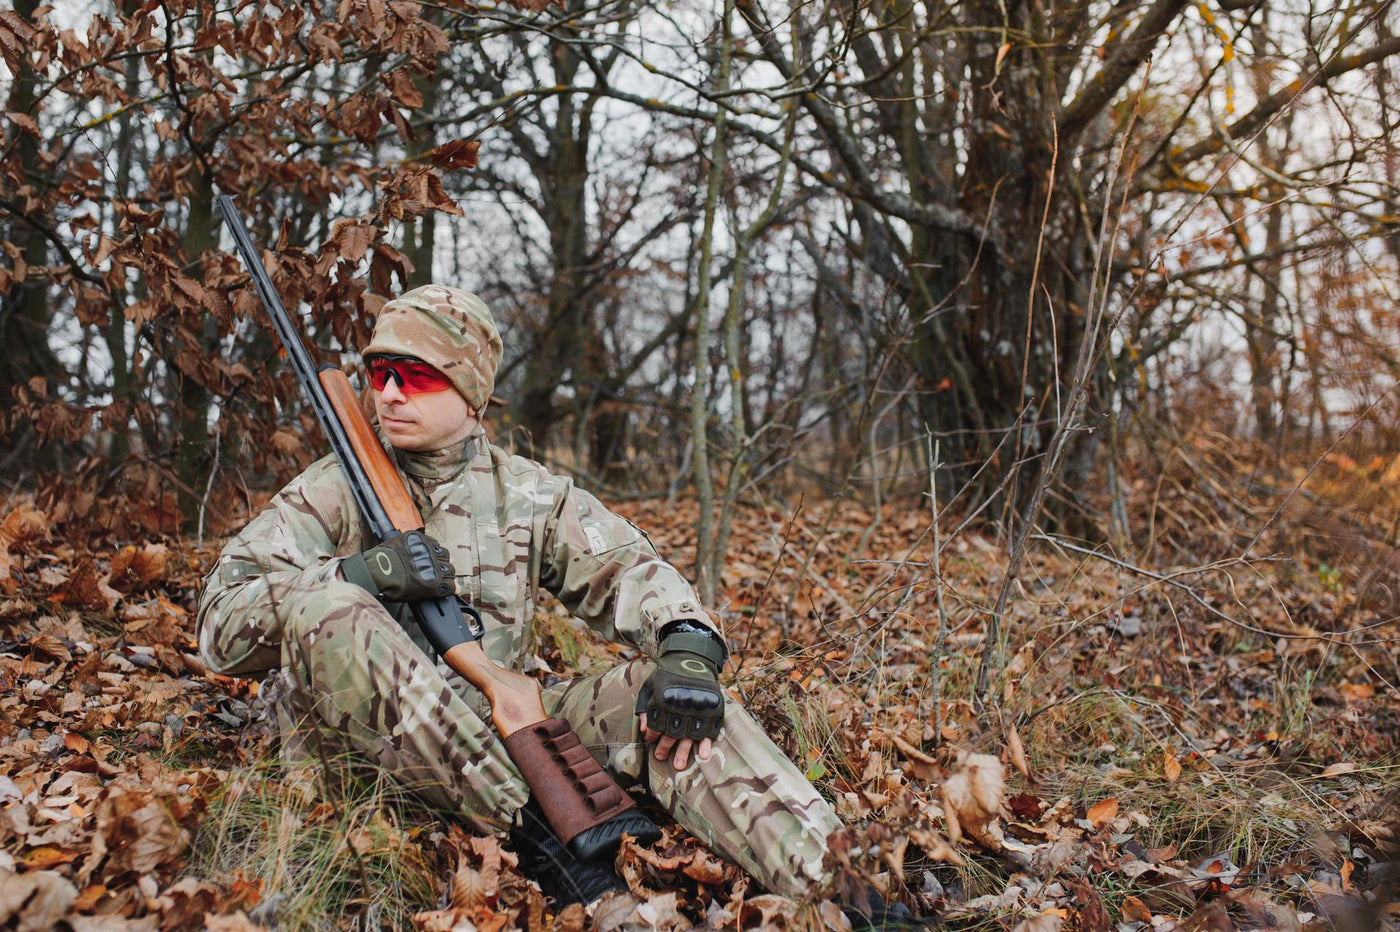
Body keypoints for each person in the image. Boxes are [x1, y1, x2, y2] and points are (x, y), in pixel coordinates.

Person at [197, 285, 912, 927]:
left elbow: (631, 568)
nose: (386, 394)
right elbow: (218, 633)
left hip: (502, 734)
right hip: (363, 757)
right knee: (330, 606)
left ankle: (848, 890)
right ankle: (554, 850)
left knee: (665, 694)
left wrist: (688, 644)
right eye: (376, 375)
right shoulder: (328, 489)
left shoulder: (529, 493)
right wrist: (356, 573)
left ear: (471, 392)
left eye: (412, 375)